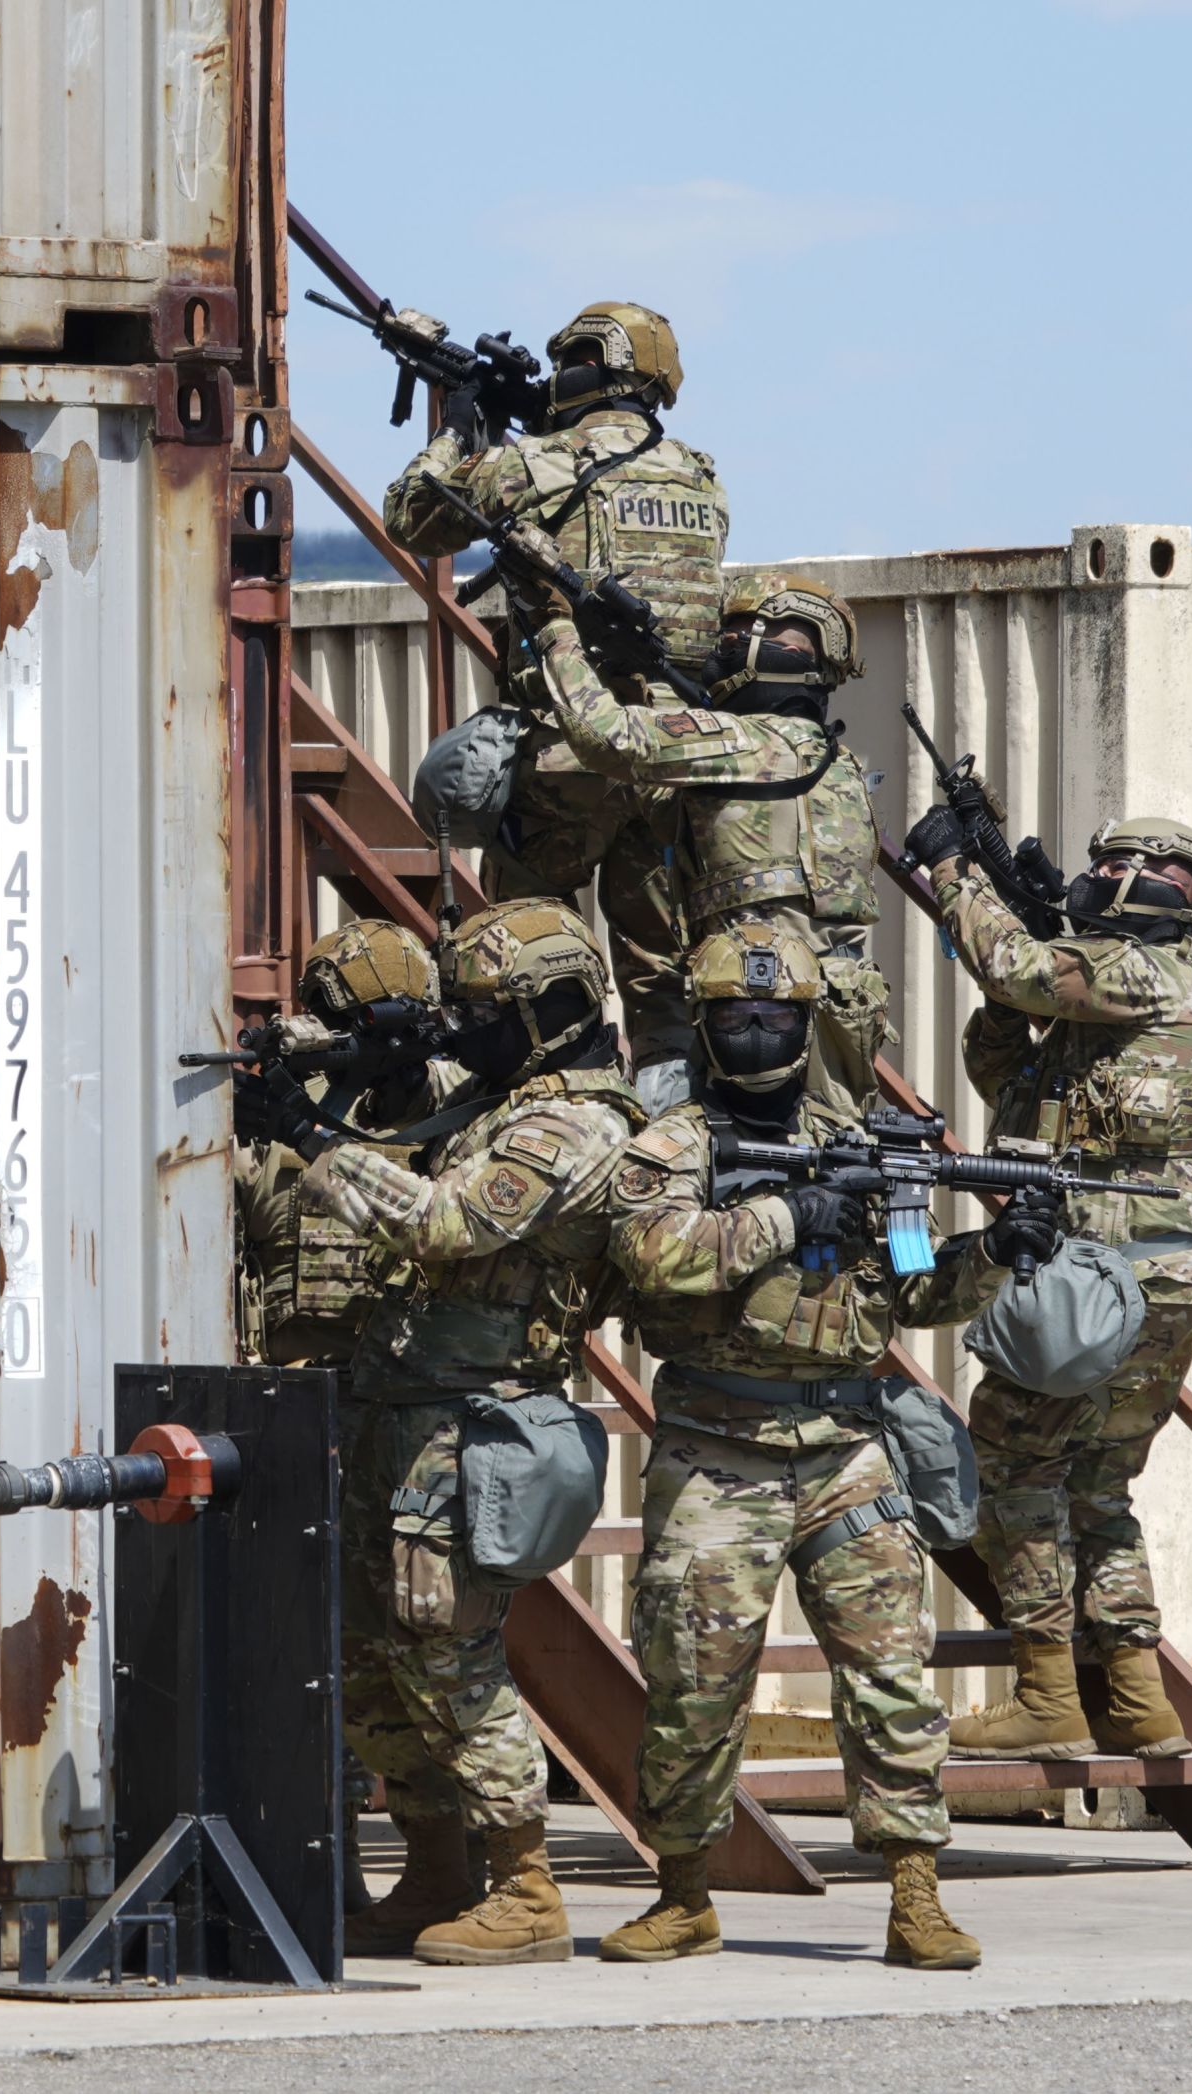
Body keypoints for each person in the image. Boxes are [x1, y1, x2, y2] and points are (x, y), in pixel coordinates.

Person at [600, 930, 1041, 1975]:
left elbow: (914, 1288)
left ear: (807, 1026)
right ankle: (682, 1892)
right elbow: (653, 1256)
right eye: (737, 1017)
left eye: (779, 1017)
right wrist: (786, 1211)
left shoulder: (854, 1140)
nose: (759, 1032)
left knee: (891, 1674)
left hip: (846, 1445)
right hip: (720, 1446)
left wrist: (994, 1251)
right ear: (704, 1028)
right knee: (695, 1680)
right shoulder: (672, 1148)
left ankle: (915, 1893)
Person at [283, 900, 644, 1969]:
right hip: (397, 1404)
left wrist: (310, 1141)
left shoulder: (571, 1125)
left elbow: (449, 1222)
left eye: (484, 1011)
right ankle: (435, 1863)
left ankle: (525, 1885)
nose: (462, 1029)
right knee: (370, 1651)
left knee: (446, 1647)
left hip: (470, 1416)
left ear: (551, 1012)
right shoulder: (498, 1100)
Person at [910, 815, 1192, 1764]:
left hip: (1102, 1275)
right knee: (1101, 1485)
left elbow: (1021, 972)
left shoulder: (1141, 970)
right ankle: (1140, 1701)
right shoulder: (1184, 991)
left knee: (1015, 1467)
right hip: (1170, 1274)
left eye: (1135, 867)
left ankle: (1048, 1694)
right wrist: (1026, 924)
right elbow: (1013, 1069)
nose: (1116, 877)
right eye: (1108, 863)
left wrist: (951, 874)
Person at [379, 306, 729, 1059]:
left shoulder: (536, 466)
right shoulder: (702, 480)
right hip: (672, 759)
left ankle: (560, 1112)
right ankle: (666, 1131)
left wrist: (459, 424)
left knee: (531, 961)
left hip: (567, 755)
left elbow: (410, 517)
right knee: (659, 975)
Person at [233, 917, 473, 1951]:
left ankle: (444, 1866)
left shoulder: (457, 1119)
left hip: (409, 1421)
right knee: (308, 1653)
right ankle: (322, 1873)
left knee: (409, 1658)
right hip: (296, 1414)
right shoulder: (290, 1124)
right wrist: (267, 1107)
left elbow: (450, 1225)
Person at [518, 575, 888, 1111]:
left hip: (758, 1019)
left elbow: (608, 738)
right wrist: (637, 686)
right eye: (728, 630)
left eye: (747, 631)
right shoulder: (839, 764)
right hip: (834, 1017)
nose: (729, 644)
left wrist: (556, 629)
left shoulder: (746, 740)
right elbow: (693, 820)